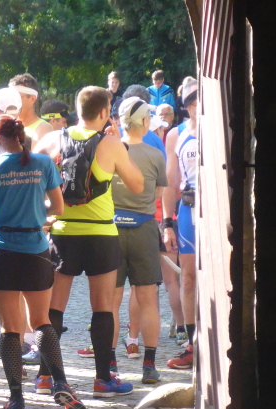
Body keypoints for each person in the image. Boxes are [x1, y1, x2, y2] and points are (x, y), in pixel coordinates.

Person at [0, 115, 86, 409]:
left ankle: (16, 399)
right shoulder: (43, 163)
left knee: (9, 329)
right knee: (41, 321)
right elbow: (58, 207)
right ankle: (60, 382)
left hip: (1, 251)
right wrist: (36, 210)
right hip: (35, 248)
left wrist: (3, 212)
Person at [34, 86, 144, 399]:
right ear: (104, 113)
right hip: (100, 234)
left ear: (77, 110)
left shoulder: (52, 140)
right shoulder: (110, 143)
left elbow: (30, 173)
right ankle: (102, 379)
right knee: (103, 307)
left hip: (62, 231)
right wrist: (118, 146)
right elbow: (137, 185)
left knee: (54, 307)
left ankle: (45, 377)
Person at [111, 97, 168, 385]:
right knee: (148, 299)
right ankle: (149, 364)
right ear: (145, 122)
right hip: (144, 227)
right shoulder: (155, 154)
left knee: (110, 301)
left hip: (111, 229)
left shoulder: (108, 151)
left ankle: (109, 365)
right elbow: (158, 194)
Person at [163, 79, 199, 370]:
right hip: (189, 208)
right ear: (185, 106)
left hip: (216, 209)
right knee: (188, 278)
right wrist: (166, 222)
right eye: (191, 102)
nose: (196, 107)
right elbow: (170, 181)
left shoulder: (219, 127)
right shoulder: (177, 134)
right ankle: (192, 344)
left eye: (199, 101)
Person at [9, 73, 53, 143]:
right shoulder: (9, 126)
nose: (12, 102)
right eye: (10, 97)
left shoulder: (44, 128)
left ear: (32, 99)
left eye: (17, 97)